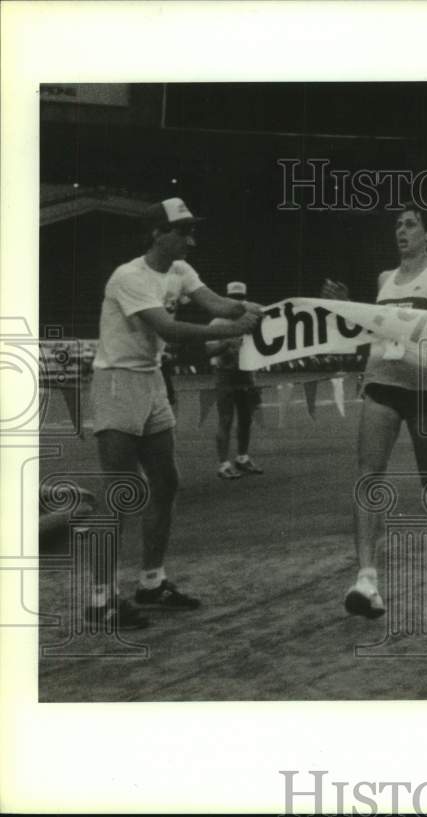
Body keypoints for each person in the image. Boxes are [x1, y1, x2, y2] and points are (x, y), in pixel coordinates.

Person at [88, 197, 261, 629]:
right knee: (120, 492)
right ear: (157, 234)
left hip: (149, 381)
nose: (191, 238)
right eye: (182, 231)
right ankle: (100, 599)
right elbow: (168, 330)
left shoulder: (180, 271)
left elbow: (218, 304)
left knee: (165, 483)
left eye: (190, 230)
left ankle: (151, 582)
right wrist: (236, 328)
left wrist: (253, 310)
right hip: (117, 382)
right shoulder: (129, 277)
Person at [323, 202, 427, 619]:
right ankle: (366, 579)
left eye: (411, 225)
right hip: (381, 383)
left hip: (425, 389)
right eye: (398, 225)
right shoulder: (384, 279)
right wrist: (347, 306)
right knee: (368, 475)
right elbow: (373, 328)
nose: (401, 231)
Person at [206, 281, 264, 479]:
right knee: (226, 418)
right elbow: (208, 351)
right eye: (234, 299)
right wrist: (225, 344)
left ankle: (242, 457)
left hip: (246, 372)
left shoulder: (251, 321)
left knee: (246, 418)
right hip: (225, 372)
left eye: (241, 299)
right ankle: (223, 463)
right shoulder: (217, 323)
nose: (237, 303)